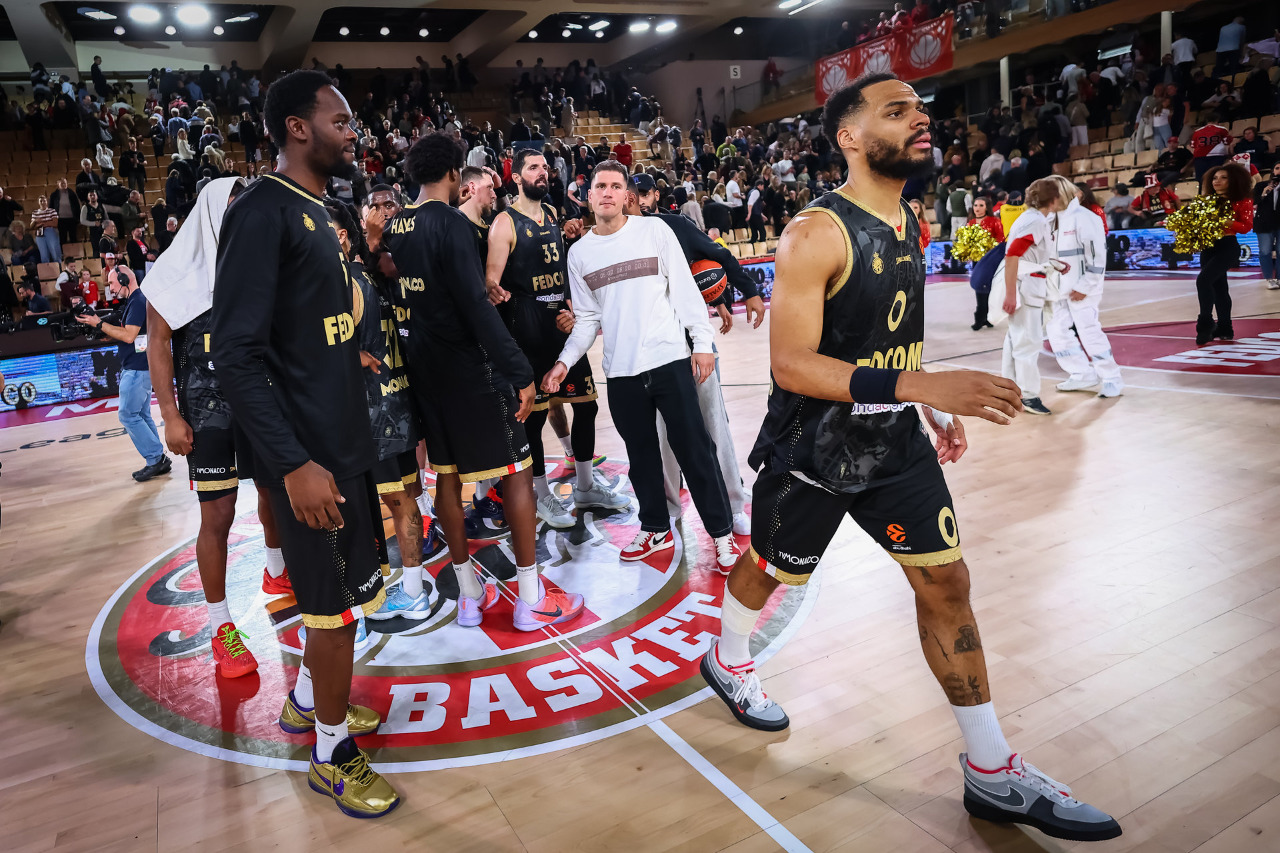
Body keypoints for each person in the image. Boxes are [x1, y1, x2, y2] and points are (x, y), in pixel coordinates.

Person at [706, 74, 1120, 843]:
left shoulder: (911, 220)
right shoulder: (814, 232)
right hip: (812, 450)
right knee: (770, 570)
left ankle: (991, 769)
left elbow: (892, 336)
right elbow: (791, 364)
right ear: (850, 137)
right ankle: (729, 659)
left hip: (894, 440)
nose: (920, 121)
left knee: (947, 581)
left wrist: (924, 400)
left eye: (921, 111)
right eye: (896, 112)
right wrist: (921, 384)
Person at [211, 70, 401, 818]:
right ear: (297, 127)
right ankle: (330, 754)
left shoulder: (322, 210)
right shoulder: (262, 210)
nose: (354, 132)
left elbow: (309, 332)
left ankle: (307, 702)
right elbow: (235, 355)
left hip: (343, 444)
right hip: (310, 459)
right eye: (341, 120)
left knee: (345, 604)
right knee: (333, 613)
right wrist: (292, 464)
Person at [386, 131, 587, 634]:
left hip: (425, 369)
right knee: (517, 472)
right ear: (455, 174)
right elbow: (476, 305)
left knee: (448, 477)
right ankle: (531, 599)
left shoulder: (397, 225)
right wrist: (518, 370)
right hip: (470, 368)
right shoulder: (451, 224)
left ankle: (469, 596)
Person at [543, 160, 739, 570]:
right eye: (601, 186)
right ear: (589, 196)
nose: (608, 193)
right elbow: (587, 320)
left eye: (616, 186)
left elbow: (685, 291)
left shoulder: (654, 231)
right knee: (642, 458)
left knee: (695, 452)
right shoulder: (579, 254)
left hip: (668, 360)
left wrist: (702, 343)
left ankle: (721, 535)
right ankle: (655, 528)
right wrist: (564, 361)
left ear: (626, 195)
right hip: (621, 373)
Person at [143, 176, 293, 682]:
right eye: (232, 206)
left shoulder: (257, 258)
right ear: (210, 210)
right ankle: (219, 626)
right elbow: (156, 343)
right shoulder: (171, 272)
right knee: (219, 515)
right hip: (207, 410)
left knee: (274, 493)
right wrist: (170, 414)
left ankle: (276, 571)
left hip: (259, 398)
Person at [484, 149, 624, 528]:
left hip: (561, 323)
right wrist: (493, 287)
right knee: (534, 418)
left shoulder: (550, 214)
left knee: (587, 406)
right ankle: (542, 495)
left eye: (545, 167)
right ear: (516, 177)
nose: (543, 172)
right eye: (534, 168)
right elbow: (491, 280)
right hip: (526, 329)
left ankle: (585, 487)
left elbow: (561, 272)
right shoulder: (504, 223)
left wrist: (571, 309)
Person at [631, 173, 765, 539]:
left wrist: (745, 291)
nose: (638, 200)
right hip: (651, 349)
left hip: (694, 343)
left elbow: (717, 257)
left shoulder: (675, 225)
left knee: (713, 424)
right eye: (633, 194)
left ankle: (733, 503)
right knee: (662, 433)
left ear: (654, 195)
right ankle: (669, 511)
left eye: (644, 193)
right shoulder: (622, 237)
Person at [323, 200, 432, 622]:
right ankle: (412, 586)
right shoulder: (373, 273)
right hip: (397, 401)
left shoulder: (345, 281)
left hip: (374, 411)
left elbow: (341, 352)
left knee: (393, 503)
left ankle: (408, 593)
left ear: (340, 236)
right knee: (405, 499)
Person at [75, 265, 171, 481]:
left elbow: (129, 335)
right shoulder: (135, 300)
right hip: (140, 366)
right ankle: (159, 459)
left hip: (137, 368)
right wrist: (104, 331)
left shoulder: (137, 301)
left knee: (127, 414)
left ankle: (155, 459)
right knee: (142, 415)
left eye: (111, 283)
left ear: (124, 279)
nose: (110, 288)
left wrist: (99, 323)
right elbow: (129, 334)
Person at [999, 177, 1074, 416]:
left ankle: (1010, 390)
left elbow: (1026, 254)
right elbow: (1012, 256)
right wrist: (1011, 294)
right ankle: (1028, 395)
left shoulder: (1032, 219)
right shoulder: (1035, 221)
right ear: (1053, 199)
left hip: (1028, 284)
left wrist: (1054, 263)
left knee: (1016, 340)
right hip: (1026, 287)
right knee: (1028, 343)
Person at [1046, 176, 1124, 398]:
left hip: (1083, 288)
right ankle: (1081, 373)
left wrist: (1085, 286)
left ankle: (1111, 378)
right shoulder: (1049, 219)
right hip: (1056, 288)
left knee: (1089, 331)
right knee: (1056, 330)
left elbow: (1097, 257)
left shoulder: (1086, 217)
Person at [1195, 163, 1254, 345]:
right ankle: (1225, 328)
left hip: (1228, 246)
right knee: (1220, 288)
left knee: (1203, 280)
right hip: (1208, 246)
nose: (1217, 181)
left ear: (1233, 180)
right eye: (1214, 178)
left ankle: (1205, 324)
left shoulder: (1243, 201)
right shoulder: (1206, 201)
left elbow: (1246, 227)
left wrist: (1228, 222)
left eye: (1223, 177)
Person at [966, 196, 1004, 331]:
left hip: (990, 260)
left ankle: (986, 317)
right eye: (976, 205)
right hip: (976, 260)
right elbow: (967, 241)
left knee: (989, 289)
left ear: (987, 207)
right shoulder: (971, 223)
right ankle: (982, 317)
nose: (977, 208)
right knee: (979, 288)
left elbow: (1000, 240)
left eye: (981, 205)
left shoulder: (995, 221)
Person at [1254, 169, 1280, 290]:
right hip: (1264, 223)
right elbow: (1254, 202)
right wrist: (1264, 193)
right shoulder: (1261, 185)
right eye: (1277, 168)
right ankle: (1269, 279)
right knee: (1265, 251)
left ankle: (1279, 278)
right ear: (1273, 170)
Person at [50, 178, 80, 246]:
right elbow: (51, 207)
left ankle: (74, 252)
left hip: (72, 219)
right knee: (62, 238)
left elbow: (77, 206)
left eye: (65, 183)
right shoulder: (54, 195)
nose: (64, 184)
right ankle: (63, 252)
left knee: (73, 238)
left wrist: (78, 218)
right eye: (62, 183)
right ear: (58, 184)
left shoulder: (72, 193)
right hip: (60, 220)